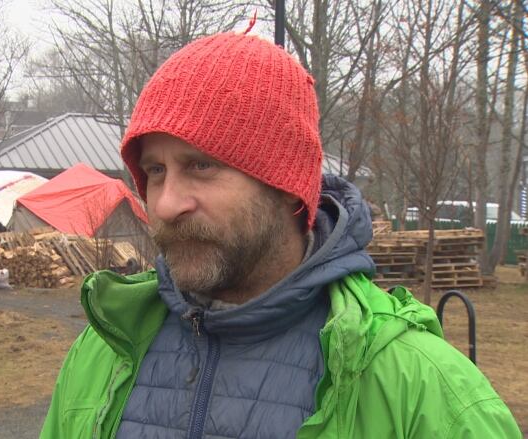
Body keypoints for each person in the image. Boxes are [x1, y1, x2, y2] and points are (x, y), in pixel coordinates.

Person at [40, 32, 521, 438]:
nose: (165, 203)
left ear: (288, 188)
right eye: (155, 171)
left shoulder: (419, 390)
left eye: (202, 165)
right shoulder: (104, 355)